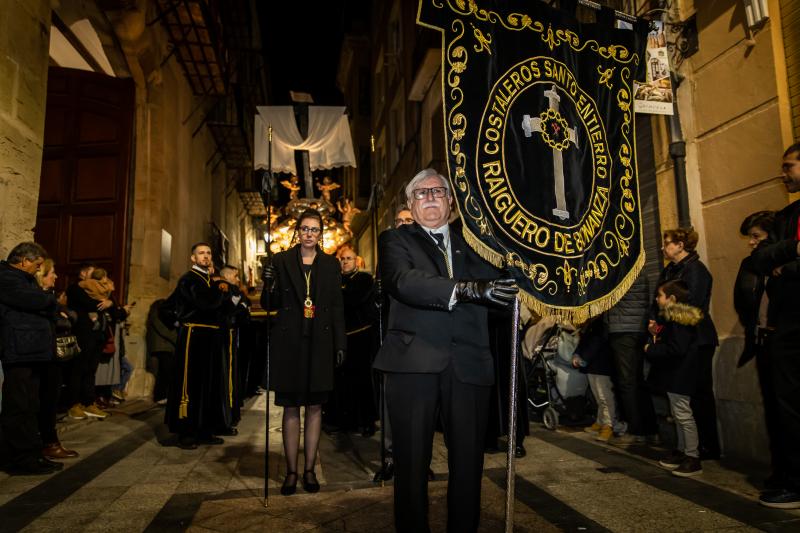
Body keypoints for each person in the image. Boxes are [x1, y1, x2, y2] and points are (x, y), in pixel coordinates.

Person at [374, 168, 517, 532]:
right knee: (411, 464)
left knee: (469, 465)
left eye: (438, 191)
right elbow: (403, 281)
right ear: (410, 203)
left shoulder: (475, 242)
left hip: (469, 362)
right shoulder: (396, 240)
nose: (431, 198)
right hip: (413, 363)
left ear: (451, 201)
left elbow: (505, 279)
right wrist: (467, 289)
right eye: (421, 193)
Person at [261, 209, 346, 496]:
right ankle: (291, 472)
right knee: (290, 407)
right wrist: (268, 281)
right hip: (290, 342)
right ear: (298, 232)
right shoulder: (281, 260)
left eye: (315, 230)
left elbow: (336, 307)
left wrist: (340, 343)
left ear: (320, 234)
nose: (309, 234)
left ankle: (309, 470)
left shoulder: (331, 265)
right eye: (305, 229)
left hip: (319, 343)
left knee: (314, 407)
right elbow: (269, 303)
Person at [752, 143, 800, 508]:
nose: (783, 173)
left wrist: (786, 262)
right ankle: (792, 479)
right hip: (789, 323)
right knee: (788, 405)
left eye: (789, 166)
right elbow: (761, 259)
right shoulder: (786, 217)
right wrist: (794, 250)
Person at [650, 227, 720, 460]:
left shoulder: (696, 271)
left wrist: (665, 320)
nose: (663, 247)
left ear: (681, 245)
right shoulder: (670, 269)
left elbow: (693, 307)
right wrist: (656, 321)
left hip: (696, 339)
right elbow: (658, 299)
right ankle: (688, 446)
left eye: (667, 242)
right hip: (676, 337)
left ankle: (705, 447)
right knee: (680, 395)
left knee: (699, 394)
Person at [0, 242, 61, 475]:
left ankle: (33, 454)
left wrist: (47, 303)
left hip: (31, 351)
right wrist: (49, 300)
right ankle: (20, 458)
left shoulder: (23, 280)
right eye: (36, 265)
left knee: (31, 404)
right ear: (24, 260)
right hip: (18, 350)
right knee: (19, 405)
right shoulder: (6, 277)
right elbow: (37, 301)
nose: (38, 271)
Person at [164, 242, 231, 449]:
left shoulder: (209, 279)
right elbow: (206, 303)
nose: (206, 256)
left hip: (210, 336)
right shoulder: (190, 279)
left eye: (209, 253)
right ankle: (187, 432)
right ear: (193, 258)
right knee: (191, 383)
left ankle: (205, 429)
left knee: (209, 383)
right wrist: (222, 289)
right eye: (201, 253)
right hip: (194, 336)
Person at [645, 279, 704, 477]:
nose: (656, 299)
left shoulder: (679, 319)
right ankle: (681, 451)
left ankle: (692, 457)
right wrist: (656, 333)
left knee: (683, 415)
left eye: (660, 296)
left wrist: (651, 349)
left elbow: (677, 348)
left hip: (681, 373)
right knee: (677, 414)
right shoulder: (672, 318)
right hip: (675, 373)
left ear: (671, 298)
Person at [328, 244, 378, 436]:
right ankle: (343, 421)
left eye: (349, 258)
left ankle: (366, 422)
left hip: (361, 336)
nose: (345, 261)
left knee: (362, 381)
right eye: (342, 259)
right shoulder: (335, 280)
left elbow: (351, 300)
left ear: (356, 260)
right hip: (340, 337)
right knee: (341, 382)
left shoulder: (364, 279)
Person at [604, 275, 658, 444]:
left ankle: (637, 431)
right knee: (637, 380)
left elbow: (608, 295)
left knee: (627, 382)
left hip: (623, 328)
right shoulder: (636, 264)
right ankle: (650, 429)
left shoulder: (623, 266)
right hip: (636, 327)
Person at [34, 260, 79, 461]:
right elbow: (61, 319)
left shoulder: (50, 297)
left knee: (51, 399)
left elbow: (70, 317)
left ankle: (49, 441)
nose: (56, 276)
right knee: (42, 400)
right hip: (41, 354)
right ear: (41, 275)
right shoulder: (36, 298)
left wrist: (62, 315)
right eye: (51, 272)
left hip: (52, 354)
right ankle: (47, 443)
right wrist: (61, 315)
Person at [65, 262, 112, 420]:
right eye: (92, 274)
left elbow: (111, 306)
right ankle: (73, 404)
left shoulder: (94, 288)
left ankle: (88, 402)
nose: (95, 278)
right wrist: (106, 302)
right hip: (83, 333)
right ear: (84, 273)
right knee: (78, 370)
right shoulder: (75, 288)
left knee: (90, 370)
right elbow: (91, 303)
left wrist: (110, 303)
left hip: (97, 335)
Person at [573, 318, 624, 442]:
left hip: (602, 365)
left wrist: (582, 357)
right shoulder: (590, 323)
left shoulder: (601, 324)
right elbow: (583, 342)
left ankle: (608, 425)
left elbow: (596, 342)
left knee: (605, 397)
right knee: (598, 396)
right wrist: (577, 354)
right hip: (592, 365)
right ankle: (600, 421)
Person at [146, 298, 177, 404]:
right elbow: (163, 329)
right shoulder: (157, 311)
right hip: (161, 347)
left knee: (166, 372)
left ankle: (164, 395)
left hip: (165, 347)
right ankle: (160, 396)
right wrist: (175, 338)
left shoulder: (161, 311)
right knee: (164, 373)